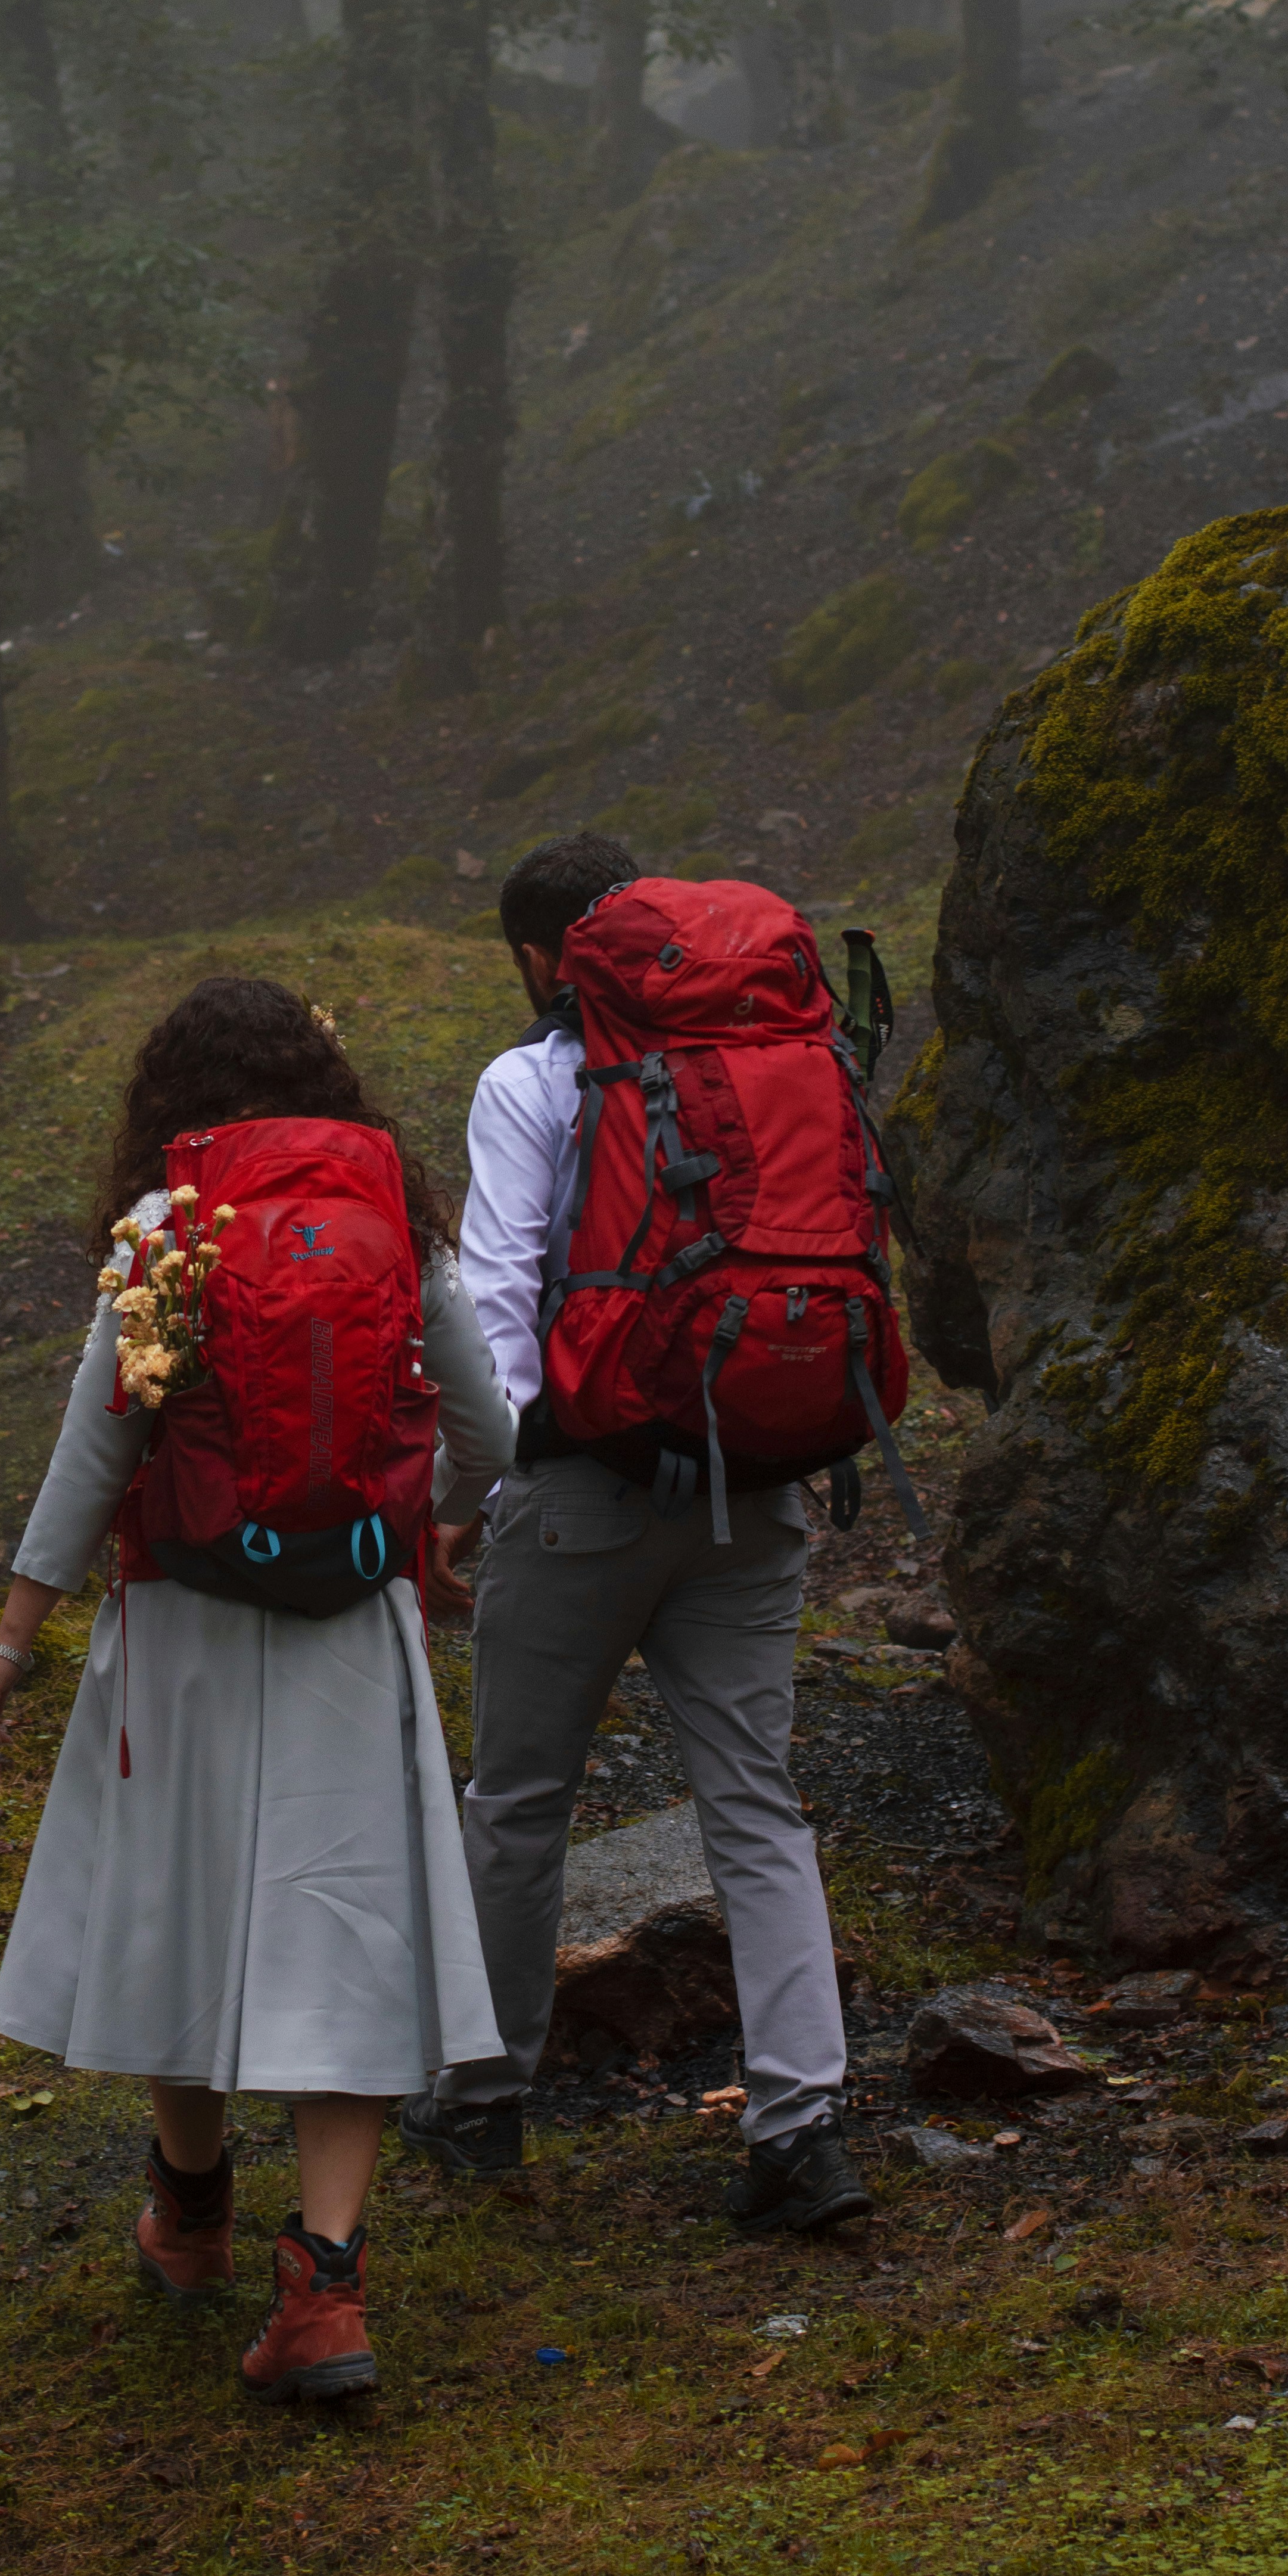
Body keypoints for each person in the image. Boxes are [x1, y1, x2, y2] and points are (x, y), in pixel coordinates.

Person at [0, 975, 515, 2401]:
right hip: (349, 1616)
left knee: (182, 1898)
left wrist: (13, 1636)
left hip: (185, 1622)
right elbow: (487, 1427)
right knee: (346, 1923)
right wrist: (433, 1522)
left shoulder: (169, 1229)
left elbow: (94, 1453)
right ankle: (325, 2286)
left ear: (171, 1098)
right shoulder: (398, 1225)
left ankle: (190, 2212)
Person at [401, 831, 870, 2235]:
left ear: (542, 957)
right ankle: (801, 2126)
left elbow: (493, 1301)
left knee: (522, 1804)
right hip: (757, 1473)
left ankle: (482, 2095)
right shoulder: (771, 1056)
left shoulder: (533, 1078)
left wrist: (457, 1495)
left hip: (585, 1493)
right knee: (754, 1800)